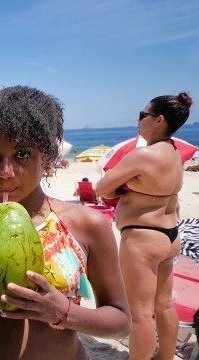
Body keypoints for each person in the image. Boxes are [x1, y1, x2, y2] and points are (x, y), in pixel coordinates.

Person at [0, 86, 130, 359]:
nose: (4, 172)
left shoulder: (86, 224)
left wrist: (63, 312)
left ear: (48, 158)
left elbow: (121, 322)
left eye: (22, 155)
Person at [96, 92, 193, 359]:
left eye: (143, 115)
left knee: (139, 313)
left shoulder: (143, 156)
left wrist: (121, 193)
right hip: (170, 236)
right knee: (164, 305)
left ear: (158, 120)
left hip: (143, 238)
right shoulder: (175, 154)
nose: (139, 120)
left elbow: (102, 187)